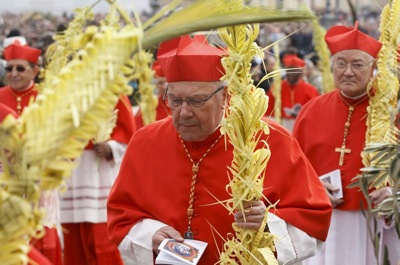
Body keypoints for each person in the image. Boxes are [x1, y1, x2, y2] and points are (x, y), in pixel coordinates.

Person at [107, 35, 332, 265]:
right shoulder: (145, 141)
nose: (183, 112)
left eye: (196, 101)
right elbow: (121, 217)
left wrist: (267, 223)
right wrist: (150, 235)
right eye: (174, 100)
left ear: (223, 96)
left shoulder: (271, 139)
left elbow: (314, 219)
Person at [293, 22, 398, 265]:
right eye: (341, 63)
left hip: (376, 224)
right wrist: (313, 189)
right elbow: (291, 170)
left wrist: (395, 194)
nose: (348, 71)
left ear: (373, 67)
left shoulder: (391, 113)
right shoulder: (311, 111)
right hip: (322, 224)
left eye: (357, 64)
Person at [0, 40, 63, 265]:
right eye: (9, 68)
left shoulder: (47, 98)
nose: (13, 73)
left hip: (40, 180)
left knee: (42, 237)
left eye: (20, 68)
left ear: (35, 71)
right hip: (5, 183)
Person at [59, 90, 136, 264]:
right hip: (71, 174)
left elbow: (130, 135)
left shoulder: (114, 93)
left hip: (99, 173)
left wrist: (112, 147)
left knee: (100, 238)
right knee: (72, 237)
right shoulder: (65, 92)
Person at [265, 53, 319, 131]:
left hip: (303, 128)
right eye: (289, 69)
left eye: (294, 70)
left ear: (301, 72)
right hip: (281, 128)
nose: (291, 73)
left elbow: (315, 115)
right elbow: (267, 113)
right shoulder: (276, 88)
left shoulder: (310, 90)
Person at [134, 60, 171, 129]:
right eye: (160, 83)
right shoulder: (149, 105)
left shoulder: (184, 104)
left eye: (167, 82)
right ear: (156, 85)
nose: (164, 86)